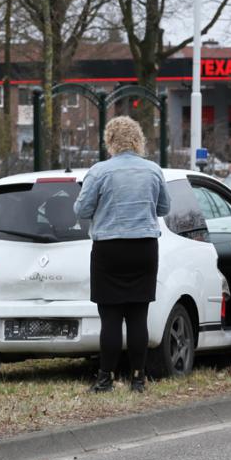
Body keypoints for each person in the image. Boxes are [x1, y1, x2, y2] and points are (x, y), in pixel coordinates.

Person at [74, 116, 171, 393]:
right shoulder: (153, 171)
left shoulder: (100, 171)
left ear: (110, 141)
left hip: (109, 249)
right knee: (139, 315)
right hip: (144, 248)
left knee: (111, 318)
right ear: (138, 140)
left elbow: (81, 210)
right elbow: (164, 207)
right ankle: (138, 379)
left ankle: (105, 378)